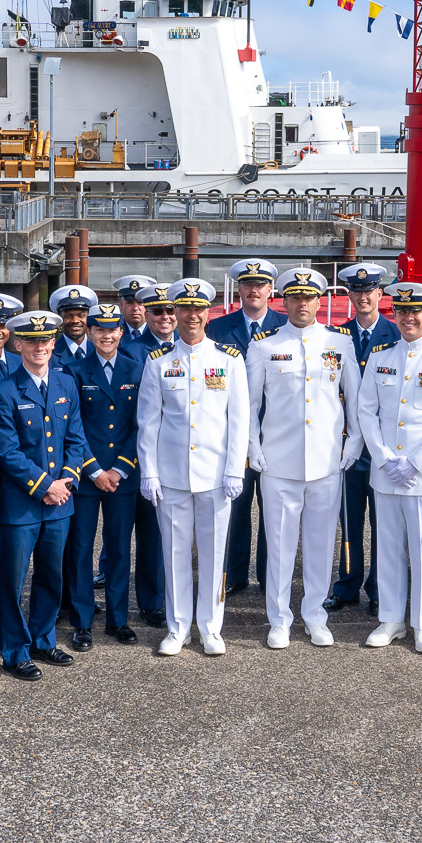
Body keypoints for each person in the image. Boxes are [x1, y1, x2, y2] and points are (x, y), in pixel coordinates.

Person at [246, 267, 360, 649]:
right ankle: (278, 619)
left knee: (320, 543)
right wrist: (252, 446)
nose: (302, 303)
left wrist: (354, 443)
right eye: (294, 297)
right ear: (284, 300)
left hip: (327, 460)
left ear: (319, 300)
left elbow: (356, 400)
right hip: (278, 462)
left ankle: (315, 615)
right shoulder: (263, 345)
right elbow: (249, 404)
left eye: (309, 297)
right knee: (278, 544)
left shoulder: (339, 342)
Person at [138, 278, 251, 656]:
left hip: (217, 476)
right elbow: (148, 422)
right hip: (171, 476)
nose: (191, 315)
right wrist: (149, 471)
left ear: (208, 313)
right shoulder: (159, 363)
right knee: (174, 555)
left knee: (214, 553)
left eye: (197, 309)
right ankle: (178, 626)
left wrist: (236, 469)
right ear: (177, 312)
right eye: (184, 308)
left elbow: (239, 421)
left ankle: (211, 626)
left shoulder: (228, 361)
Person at [356, 283, 422, 653]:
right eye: (402, 312)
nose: (409, 318)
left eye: (415, 311)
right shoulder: (380, 357)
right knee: (386, 548)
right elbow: (366, 412)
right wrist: (386, 458)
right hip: (386, 472)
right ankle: (391, 620)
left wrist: (415, 463)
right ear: (396, 315)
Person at [0, 310, 93, 679]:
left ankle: (44, 639)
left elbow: (76, 440)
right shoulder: (3, 392)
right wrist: (45, 486)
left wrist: (65, 482)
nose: (39, 347)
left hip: (61, 503)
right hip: (21, 506)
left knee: (51, 575)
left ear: (53, 343)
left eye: (45, 341)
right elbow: (6, 450)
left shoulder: (66, 385)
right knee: (13, 580)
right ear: (18, 345)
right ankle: (15, 650)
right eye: (31, 342)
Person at [67, 302, 143, 647]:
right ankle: (82, 621)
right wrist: (95, 469)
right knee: (81, 549)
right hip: (86, 477)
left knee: (118, 550)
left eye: (113, 330)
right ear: (90, 332)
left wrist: (119, 469)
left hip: (122, 478)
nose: (107, 335)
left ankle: (118, 619)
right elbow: (72, 426)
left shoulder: (136, 369)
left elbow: (140, 425)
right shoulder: (73, 372)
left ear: (121, 332)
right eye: (99, 329)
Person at [209, 258, 284, 595]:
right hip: (230, 434)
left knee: (273, 510)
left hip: (277, 433)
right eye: (247, 285)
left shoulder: (285, 326)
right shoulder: (218, 329)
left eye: (260, 285)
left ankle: (270, 575)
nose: (254, 290)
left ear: (271, 290)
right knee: (235, 508)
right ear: (238, 288)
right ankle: (235, 575)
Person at [328, 262, 397, 615]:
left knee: (383, 523)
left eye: (369, 291)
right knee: (349, 520)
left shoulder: (397, 337)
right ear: (349, 295)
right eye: (356, 291)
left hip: (384, 446)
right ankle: (347, 585)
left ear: (380, 294)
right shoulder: (335, 339)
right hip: (348, 446)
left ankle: (380, 589)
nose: (362, 297)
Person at [132, 283, 177, 627]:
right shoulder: (132, 350)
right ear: (145, 313)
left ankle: (176, 597)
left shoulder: (190, 348)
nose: (166, 317)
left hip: (176, 456)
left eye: (170, 311)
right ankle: (151, 602)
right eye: (158, 311)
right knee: (148, 536)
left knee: (170, 535)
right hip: (137, 458)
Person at [48, 284, 100, 366]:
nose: (75, 321)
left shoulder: (100, 351)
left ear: (89, 318)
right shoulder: (49, 354)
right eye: (68, 316)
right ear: (60, 318)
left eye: (81, 316)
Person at [113, 274, 159, 353]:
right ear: (121, 304)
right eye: (130, 303)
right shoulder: (112, 334)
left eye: (140, 303)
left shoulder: (159, 332)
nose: (135, 308)